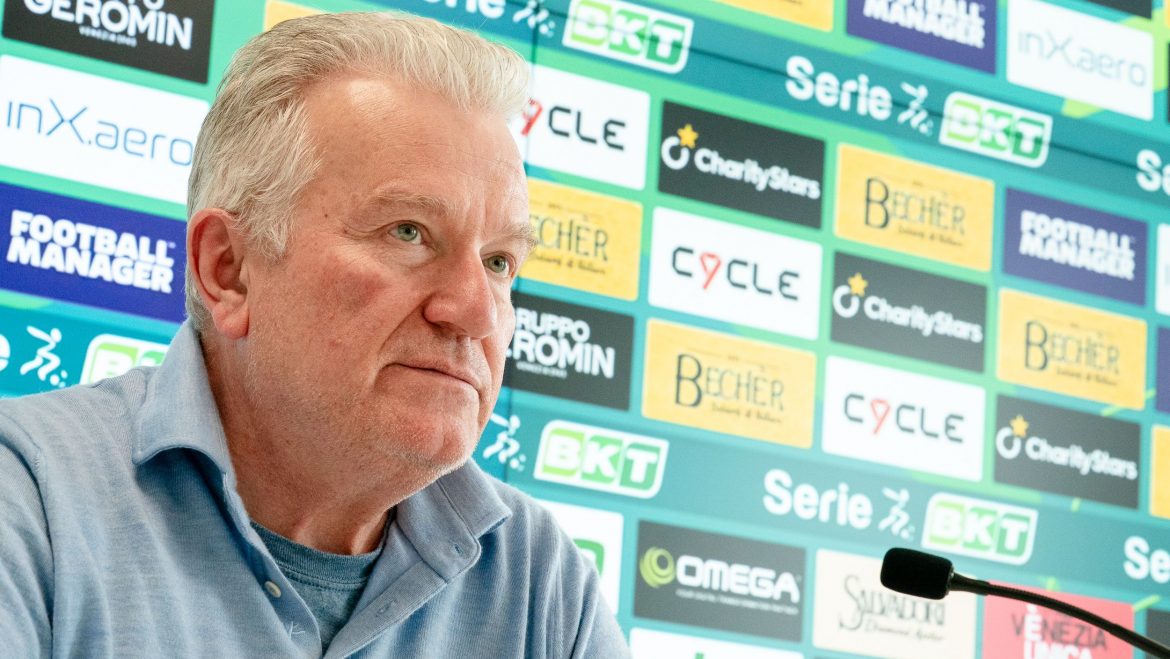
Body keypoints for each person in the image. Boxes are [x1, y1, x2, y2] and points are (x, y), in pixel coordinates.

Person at [0, 11, 629, 658]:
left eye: (499, 262)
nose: (476, 312)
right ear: (229, 270)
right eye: (408, 232)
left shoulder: (542, 586)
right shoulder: (30, 498)